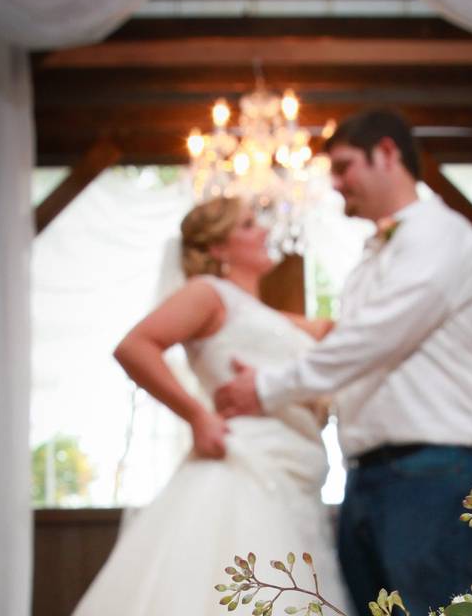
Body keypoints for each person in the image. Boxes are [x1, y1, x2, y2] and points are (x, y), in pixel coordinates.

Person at [214, 109, 472, 616]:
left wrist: (268, 389)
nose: (336, 183)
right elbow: (350, 346)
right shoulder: (374, 254)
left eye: (346, 166)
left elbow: (372, 340)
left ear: (389, 154)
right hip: (370, 477)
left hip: (432, 473)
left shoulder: (438, 235)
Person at [73, 196, 348, 616]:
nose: (263, 231)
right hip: (244, 466)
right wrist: (198, 415)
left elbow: (335, 333)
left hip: (297, 473)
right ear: (218, 248)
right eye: (248, 225)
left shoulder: (263, 314)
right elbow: (135, 346)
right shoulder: (207, 294)